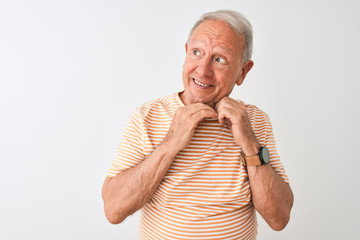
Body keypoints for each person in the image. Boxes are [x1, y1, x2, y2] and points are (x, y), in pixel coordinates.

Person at [102, 10, 293, 240]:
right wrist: (171, 143)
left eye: (219, 59)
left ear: (243, 71)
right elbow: (113, 210)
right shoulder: (147, 116)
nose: (202, 70)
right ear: (185, 54)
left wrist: (249, 142)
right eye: (196, 53)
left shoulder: (254, 121)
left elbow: (279, 218)